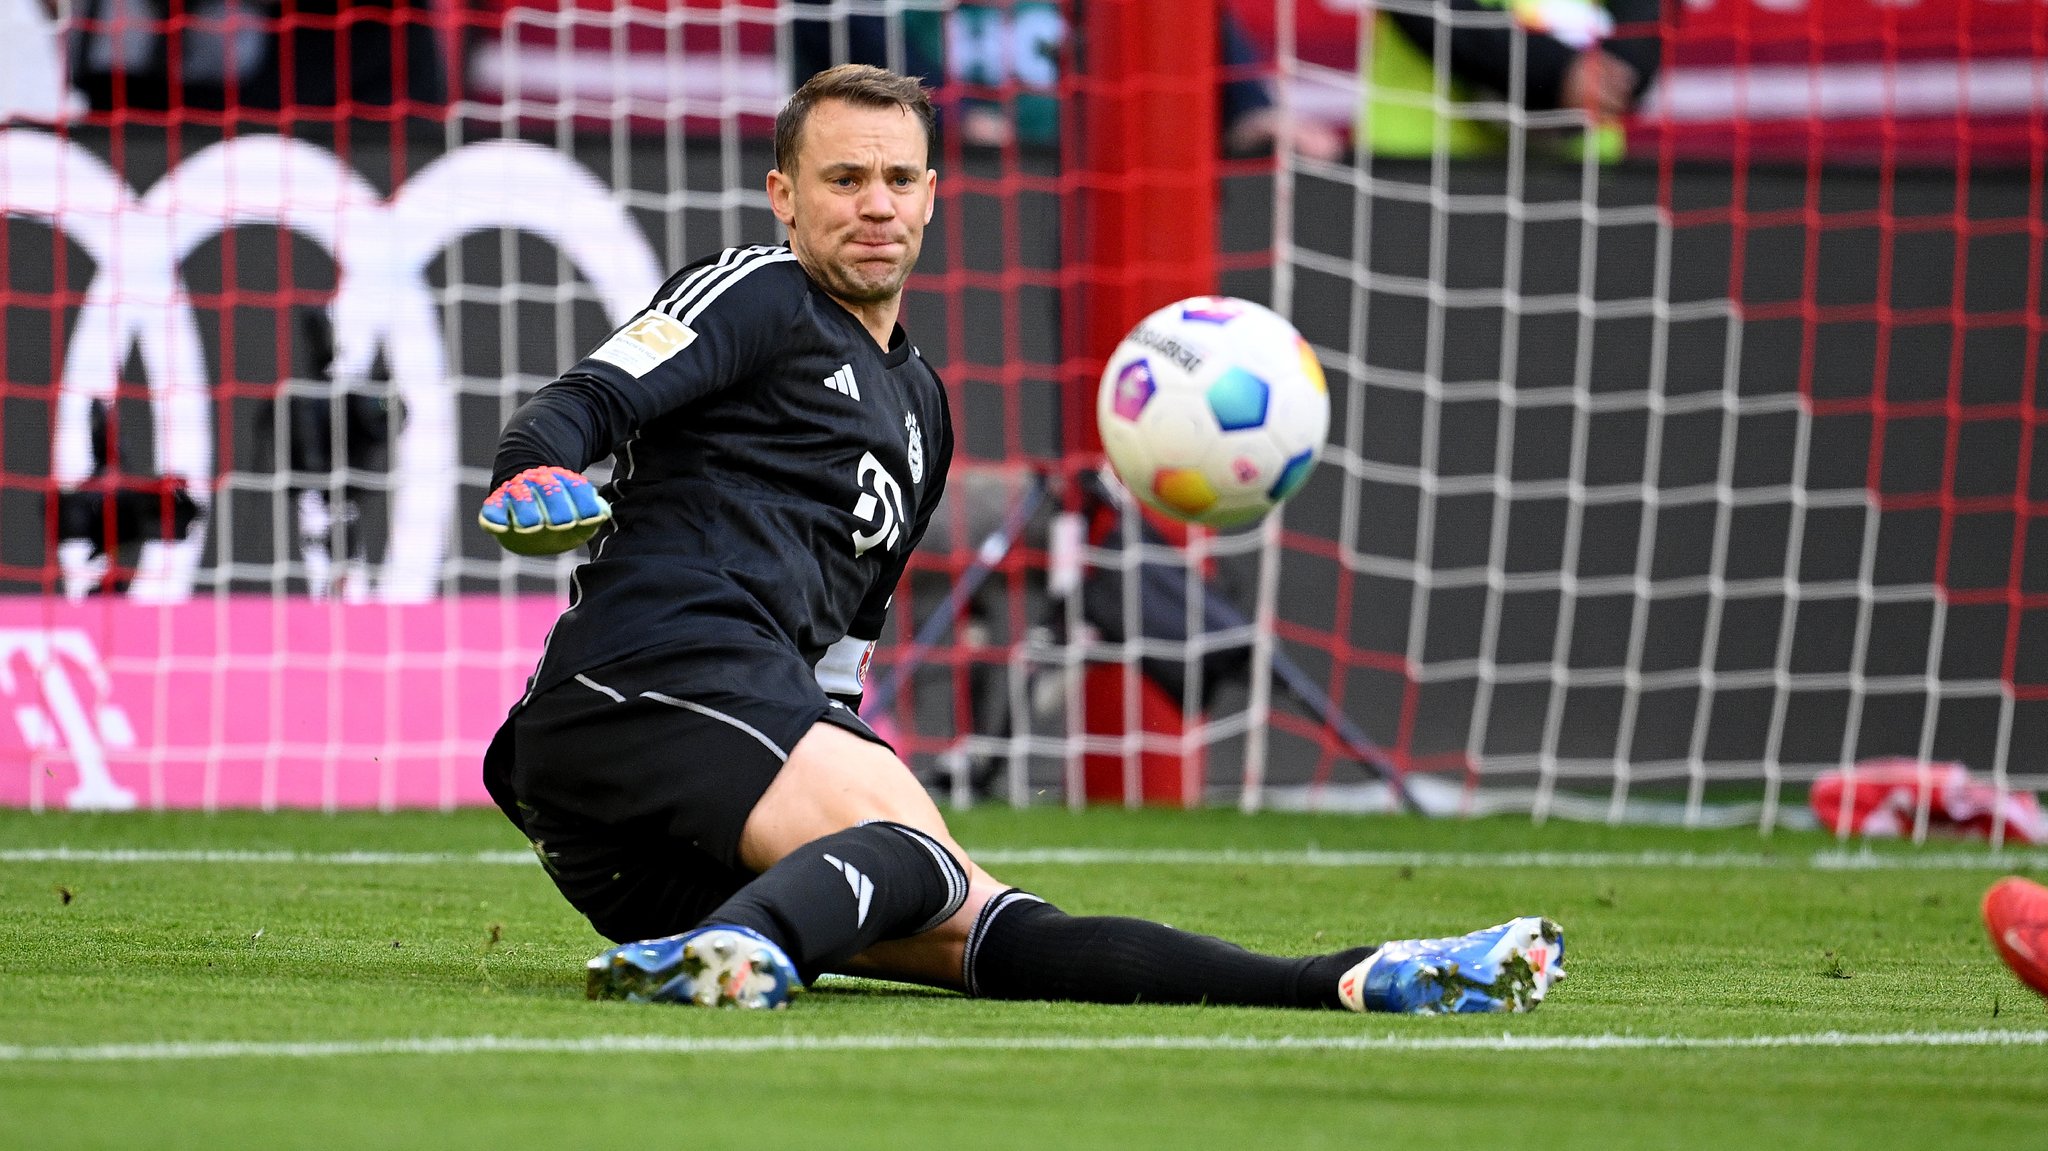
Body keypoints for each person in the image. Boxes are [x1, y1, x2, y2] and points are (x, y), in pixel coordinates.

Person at [477, 63, 1566, 1015]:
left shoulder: (924, 413)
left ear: (933, 198)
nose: (874, 205)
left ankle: (1345, 975)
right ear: (784, 196)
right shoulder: (758, 292)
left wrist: (840, 774)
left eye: (898, 179)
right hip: (644, 675)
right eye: (843, 179)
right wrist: (531, 464)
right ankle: (753, 948)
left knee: (986, 921)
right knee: (910, 849)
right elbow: (590, 395)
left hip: (677, 805)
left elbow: (841, 661)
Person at [1361, 0, 1662, 161]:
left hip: (1582, 173)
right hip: (1417, 162)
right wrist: (1554, 74)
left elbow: (1648, 16)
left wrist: (1621, 69)